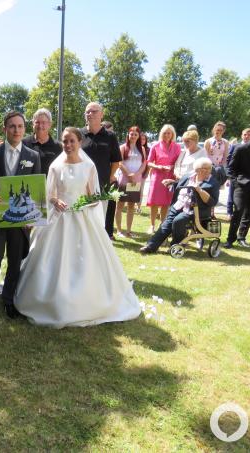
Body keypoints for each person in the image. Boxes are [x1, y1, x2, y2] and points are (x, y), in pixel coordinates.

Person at [14, 127, 142, 328]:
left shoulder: (88, 167)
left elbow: (93, 196)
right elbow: (50, 193)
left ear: (79, 142)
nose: (68, 145)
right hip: (59, 218)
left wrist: (87, 202)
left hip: (82, 218)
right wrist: (55, 201)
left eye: (72, 141)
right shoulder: (56, 166)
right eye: (65, 141)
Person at [0, 111, 42, 320]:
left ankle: (8, 300)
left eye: (20, 126)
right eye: (12, 126)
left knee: (15, 261)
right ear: (5, 128)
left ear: (25, 129)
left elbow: (36, 188)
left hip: (20, 220)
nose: (16, 130)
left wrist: (32, 218)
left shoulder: (33, 156)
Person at [139, 157, 220, 254]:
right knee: (166, 224)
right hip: (178, 205)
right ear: (197, 170)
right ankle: (150, 246)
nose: (208, 170)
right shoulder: (188, 177)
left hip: (195, 210)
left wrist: (200, 190)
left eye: (210, 168)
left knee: (178, 221)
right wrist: (172, 183)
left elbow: (212, 202)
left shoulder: (213, 183)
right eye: (205, 168)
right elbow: (179, 186)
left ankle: (176, 245)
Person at [80, 102, 122, 239]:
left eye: (94, 111)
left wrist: (109, 177)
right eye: (87, 111)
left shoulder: (110, 136)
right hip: (80, 186)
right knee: (81, 223)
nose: (90, 114)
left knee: (98, 223)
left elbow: (116, 161)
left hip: (102, 187)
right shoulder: (78, 134)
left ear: (101, 114)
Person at [145, 124, 182, 233]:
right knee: (154, 203)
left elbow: (179, 162)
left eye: (169, 133)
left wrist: (172, 167)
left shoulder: (177, 147)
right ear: (161, 134)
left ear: (172, 134)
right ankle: (152, 225)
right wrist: (158, 166)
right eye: (165, 133)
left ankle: (162, 225)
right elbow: (149, 162)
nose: (166, 135)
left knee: (166, 202)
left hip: (170, 177)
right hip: (157, 176)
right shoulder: (155, 146)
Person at [114, 125, 147, 238]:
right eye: (131, 134)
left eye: (135, 134)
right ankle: (119, 230)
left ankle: (128, 231)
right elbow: (120, 163)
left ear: (138, 136)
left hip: (135, 181)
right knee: (120, 205)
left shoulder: (142, 149)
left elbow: (144, 164)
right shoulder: (123, 147)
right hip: (124, 180)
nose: (133, 136)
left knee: (131, 205)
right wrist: (129, 174)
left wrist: (136, 175)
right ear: (128, 135)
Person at [22, 108, 62, 173]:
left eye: (43, 122)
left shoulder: (59, 147)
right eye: (37, 122)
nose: (40, 126)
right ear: (33, 124)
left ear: (50, 124)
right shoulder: (23, 144)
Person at [226, 128, 250, 217]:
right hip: (235, 175)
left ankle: (241, 213)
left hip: (246, 176)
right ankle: (229, 212)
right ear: (242, 135)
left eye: (249, 135)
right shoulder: (235, 146)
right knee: (231, 193)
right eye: (245, 134)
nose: (247, 136)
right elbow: (229, 160)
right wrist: (229, 176)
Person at [204, 121, 229, 186]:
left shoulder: (225, 142)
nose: (218, 132)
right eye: (217, 130)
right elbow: (205, 156)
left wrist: (222, 167)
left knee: (218, 186)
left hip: (220, 168)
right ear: (214, 129)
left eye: (221, 130)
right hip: (209, 168)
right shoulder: (208, 141)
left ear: (223, 131)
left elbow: (225, 156)